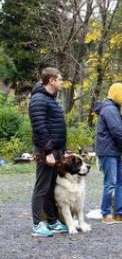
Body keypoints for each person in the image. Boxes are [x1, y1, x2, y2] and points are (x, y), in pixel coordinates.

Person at [28, 67, 69, 237]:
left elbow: (56, 127)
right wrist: (49, 152)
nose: (61, 82)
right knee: (42, 187)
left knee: (52, 187)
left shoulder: (51, 99)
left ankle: (52, 221)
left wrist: (63, 150)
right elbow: (40, 128)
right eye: (59, 79)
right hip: (46, 151)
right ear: (51, 80)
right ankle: (37, 225)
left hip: (56, 150)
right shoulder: (39, 99)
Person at [95, 82, 122, 224]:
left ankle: (120, 213)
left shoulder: (113, 108)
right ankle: (106, 213)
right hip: (108, 152)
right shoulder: (109, 109)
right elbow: (118, 133)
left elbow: (119, 134)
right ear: (117, 95)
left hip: (114, 151)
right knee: (110, 183)